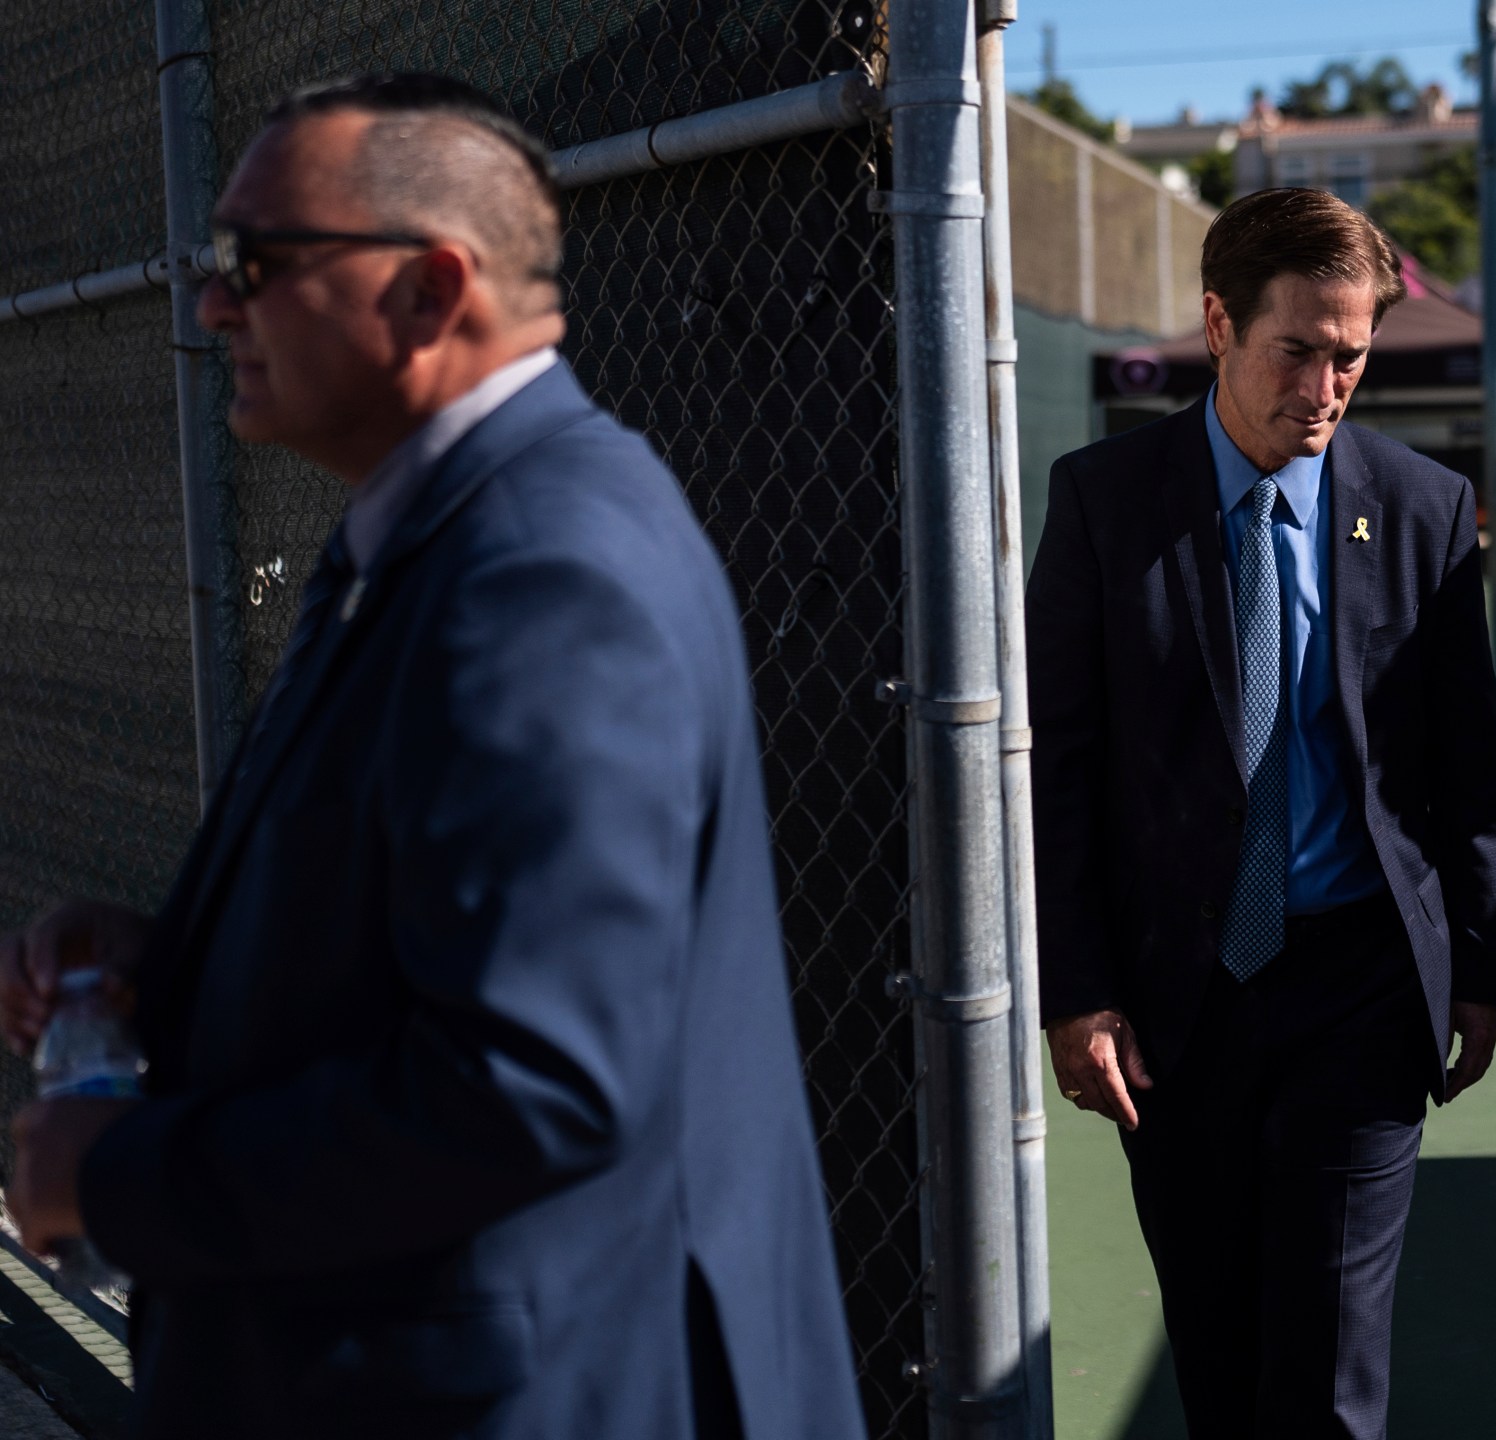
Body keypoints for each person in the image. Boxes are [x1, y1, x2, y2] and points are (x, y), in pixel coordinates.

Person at [0, 74, 862, 1439]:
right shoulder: (451, 523)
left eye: (255, 262)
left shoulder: (542, 567)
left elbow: (536, 1081)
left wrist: (121, 1182)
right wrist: (168, 971)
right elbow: (437, 951)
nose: (213, 303)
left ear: (427, 290)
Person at [1027, 186, 1496, 1439]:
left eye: (1349, 356)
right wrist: (1074, 990)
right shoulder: (1102, 503)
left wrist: (1480, 967)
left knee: (1329, 1370)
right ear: (1217, 325)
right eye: (1295, 349)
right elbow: (1061, 766)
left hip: (1357, 989)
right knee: (1220, 1353)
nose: (1324, 384)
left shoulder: (1422, 509)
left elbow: (1466, 763)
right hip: (1173, 1005)